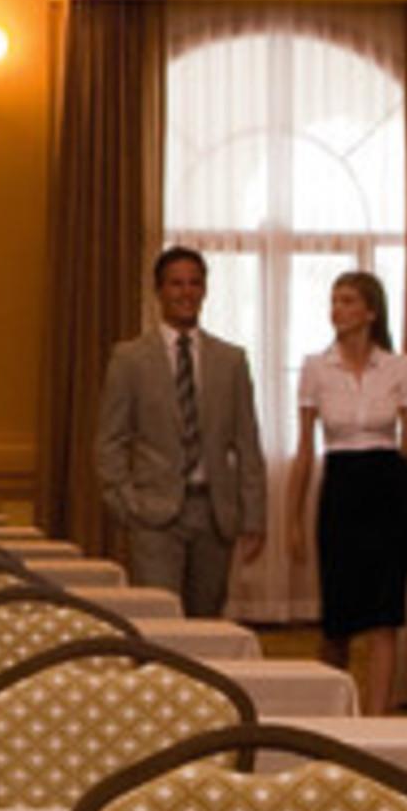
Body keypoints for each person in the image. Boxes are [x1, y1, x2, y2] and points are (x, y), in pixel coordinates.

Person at [93, 242, 270, 620]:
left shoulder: (231, 361)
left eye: (194, 283)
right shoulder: (129, 359)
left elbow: (248, 445)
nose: (186, 292)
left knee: (206, 622)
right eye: (176, 284)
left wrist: (253, 517)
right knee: (159, 620)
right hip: (154, 516)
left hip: (214, 514)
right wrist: (126, 504)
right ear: (159, 291)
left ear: (205, 289)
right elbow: (110, 441)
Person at [295, 268, 407, 709]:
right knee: (337, 619)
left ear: (371, 311)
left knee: (384, 616)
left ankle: (377, 717)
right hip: (340, 488)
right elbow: (304, 450)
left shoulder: (401, 366)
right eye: (334, 300)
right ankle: (334, 712)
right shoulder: (316, 368)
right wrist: (292, 519)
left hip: (387, 488)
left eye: (347, 301)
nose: (336, 309)